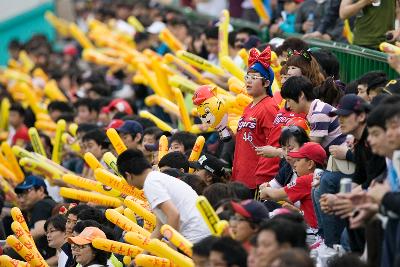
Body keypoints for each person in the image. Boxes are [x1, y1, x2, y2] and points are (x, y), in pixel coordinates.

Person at [117, 149, 210, 242]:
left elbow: (174, 215)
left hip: (194, 239)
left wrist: (172, 245)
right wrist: (145, 252)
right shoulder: (157, 178)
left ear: (128, 175)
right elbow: (159, 228)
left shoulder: (151, 183)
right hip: (202, 236)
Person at [232, 46, 280, 192]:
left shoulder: (269, 107)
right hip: (241, 178)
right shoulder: (249, 106)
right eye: (247, 77)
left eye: (254, 78)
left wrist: (263, 179)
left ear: (266, 83)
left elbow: (274, 145)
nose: (249, 81)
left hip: (257, 181)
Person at [260, 142, 326, 233]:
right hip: (317, 228)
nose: (294, 164)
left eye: (298, 160)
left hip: (313, 231)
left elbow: (275, 194)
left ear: (310, 164)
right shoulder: (322, 176)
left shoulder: (306, 179)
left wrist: (265, 189)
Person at [280, 76, 345, 150]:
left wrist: (278, 152)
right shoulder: (317, 109)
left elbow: (311, 148)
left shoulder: (319, 113)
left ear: (301, 95)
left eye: (288, 100)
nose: (288, 105)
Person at [14, 175, 57, 260]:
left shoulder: (42, 204)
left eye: (27, 192)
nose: (22, 198)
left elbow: (39, 231)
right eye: (19, 195)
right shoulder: (36, 207)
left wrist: (13, 242)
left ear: (41, 190)